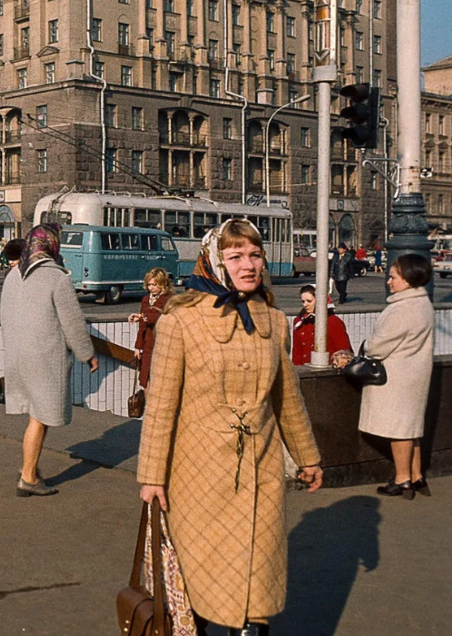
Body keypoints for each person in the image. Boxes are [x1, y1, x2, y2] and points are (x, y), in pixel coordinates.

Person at [138, 219, 323, 635]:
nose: (248, 265)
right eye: (235, 256)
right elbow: (161, 405)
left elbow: (286, 397)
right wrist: (151, 476)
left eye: (255, 255)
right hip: (197, 478)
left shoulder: (274, 321)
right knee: (201, 580)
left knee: (256, 581)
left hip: (262, 473)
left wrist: (308, 456)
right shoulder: (180, 320)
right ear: (214, 261)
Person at [0, 225, 97, 497]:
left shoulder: (12, 276)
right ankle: (28, 476)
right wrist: (86, 353)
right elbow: (73, 323)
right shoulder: (57, 278)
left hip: (18, 356)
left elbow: (5, 317)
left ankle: (31, 468)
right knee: (40, 418)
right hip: (44, 357)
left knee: (36, 414)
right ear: (52, 246)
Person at [360, 254, 435, 500]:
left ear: (407, 278)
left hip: (397, 378)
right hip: (415, 375)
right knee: (411, 427)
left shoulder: (402, 309)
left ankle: (402, 480)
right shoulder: (424, 304)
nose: (388, 282)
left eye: (393, 277)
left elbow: (377, 347)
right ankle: (416, 475)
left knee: (398, 430)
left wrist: (365, 345)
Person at [128, 267, 172, 389]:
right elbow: (142, 327)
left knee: (161, 381)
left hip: (164, 345)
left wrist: (143, 316)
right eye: (149, 284)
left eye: (154, 285)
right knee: (145, 380)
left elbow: (163, 317)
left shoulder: (169, 299)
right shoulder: (146, 299)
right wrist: (138, 347)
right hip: (148, 345)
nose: (150, 288)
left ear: (162, 284)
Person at [291, 285, 353, 368]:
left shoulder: (333, 321)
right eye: (303, 301)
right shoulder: (299, 321)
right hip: (304, 369)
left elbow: (344, 350)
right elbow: (296, 351)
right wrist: (296, 370)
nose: (305, 305)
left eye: (309, 301)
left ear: (320, 301)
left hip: (328, 369)